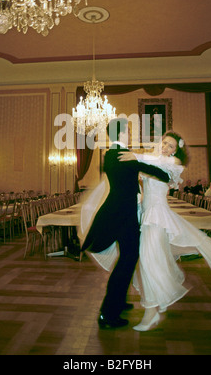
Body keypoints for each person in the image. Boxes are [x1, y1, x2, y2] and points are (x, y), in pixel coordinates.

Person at [117, 131, 211, 331]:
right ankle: (159, 301)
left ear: (176, 151)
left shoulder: (173, 163)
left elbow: (153, 166)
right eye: (164, 143)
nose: (166, 147)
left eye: (171, 146)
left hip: (157, 217)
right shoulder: (156, 161)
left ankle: (151, 312)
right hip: (148, 215)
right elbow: (148, 172)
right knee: (153, 260)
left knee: (149, 261)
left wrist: (136, 157)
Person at [80, 118, 170, 329]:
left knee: (128, 259)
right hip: (121, 216)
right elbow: (158, 172)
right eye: (128, 131)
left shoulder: (112, 154)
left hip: (121, 215)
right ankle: (108, 314)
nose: (130, 134)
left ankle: (118, 302)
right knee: (127, 260)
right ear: (120, 134)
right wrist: (165, 171)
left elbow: (139, 167)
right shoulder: (121, 156)